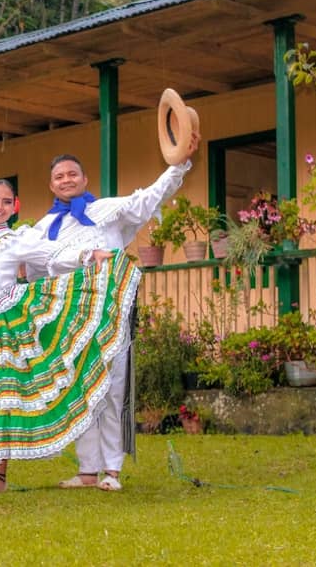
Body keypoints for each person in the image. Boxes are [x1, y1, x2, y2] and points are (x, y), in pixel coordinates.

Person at [0, 179, 139, 495]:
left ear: (14, 208)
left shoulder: (16, 239)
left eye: (7, 202)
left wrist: (89, 254)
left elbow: (53, 254)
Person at [29, 137, 199, 492]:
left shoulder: (107, 210)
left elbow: (149, 198)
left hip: (110, 312)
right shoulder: (43, 229)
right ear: (51, 185)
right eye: (59, 176)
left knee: (113, 388)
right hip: (70, 318)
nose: (66, 180)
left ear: (85, 179)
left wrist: (178, 165)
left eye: (72, 174)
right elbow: (35, 268)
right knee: (82, 391)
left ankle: (112, 470)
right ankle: (87, 471)